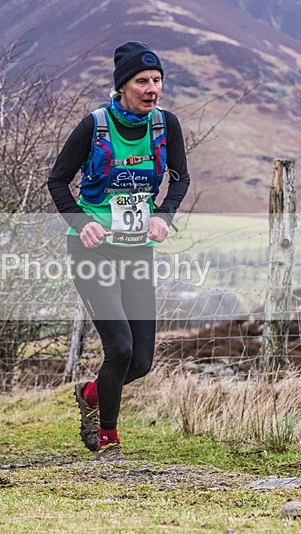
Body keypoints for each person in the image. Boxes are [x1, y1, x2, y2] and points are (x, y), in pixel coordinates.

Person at [47, 42, 190, 461]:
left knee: (142, 361)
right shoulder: (94, 125)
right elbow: (57, 181)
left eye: (157, 80)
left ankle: (90, 394)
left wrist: (164, 215)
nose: (152, 89)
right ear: (122, 86)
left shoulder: (167, 126)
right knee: (121, 348)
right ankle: (107, 437)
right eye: (142, 81)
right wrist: (81, 221)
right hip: (92, 252)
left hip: (137, 252)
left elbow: (180, 179)